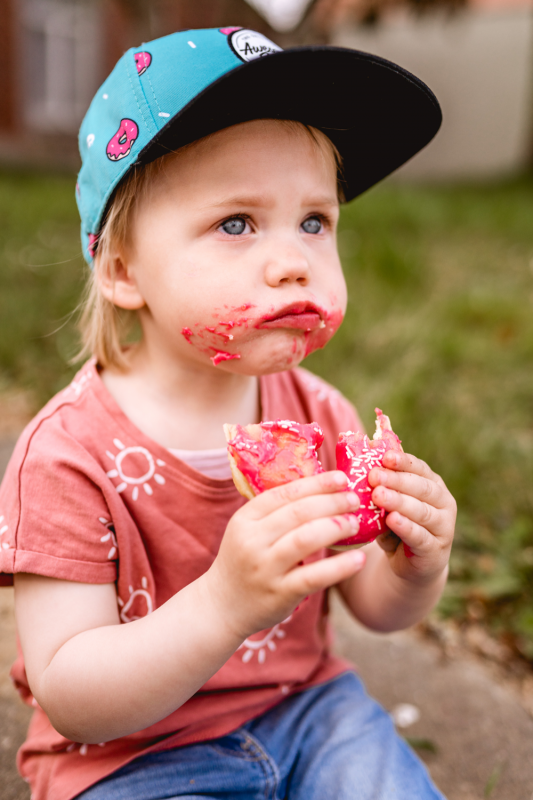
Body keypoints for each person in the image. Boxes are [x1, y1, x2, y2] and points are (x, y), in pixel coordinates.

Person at [0, 27, 456, 800]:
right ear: (121, 269)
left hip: (308, 712)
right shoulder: (67, 457)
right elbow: (72, 698)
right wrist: (224, 602)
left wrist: (416, 565)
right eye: (236, 223)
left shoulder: (322, 415)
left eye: (314, 221)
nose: (292, 259)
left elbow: (372, 606)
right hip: (130, 757)